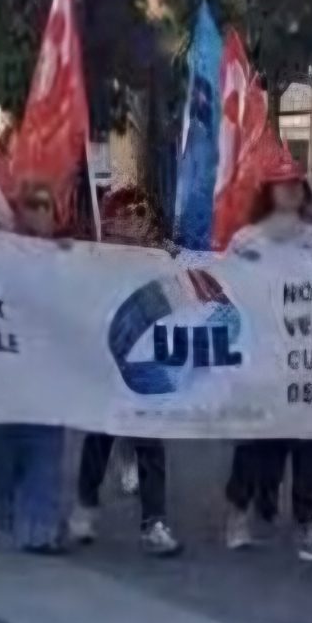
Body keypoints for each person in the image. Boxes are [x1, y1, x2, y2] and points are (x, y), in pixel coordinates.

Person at [225, 154, 312, 563]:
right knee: (257, 444)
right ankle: (238, 513)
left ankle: (310, 524)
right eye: (282, 183)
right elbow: (229, 294)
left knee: (310, 445)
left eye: (297, 183)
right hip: (261, 359)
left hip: (308, 358)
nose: (291, 189)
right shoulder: (246, 241)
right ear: (268, 191)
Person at [70, 186, 182, 557]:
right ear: (110, 223)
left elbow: (177, 301)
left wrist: (174, 260)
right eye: (123, 215)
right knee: (99, 438)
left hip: (145, 363)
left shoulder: (160, 261)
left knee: (150, 443)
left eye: (139, 214)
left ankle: (155, 521)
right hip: (107, 362)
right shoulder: (96, 262)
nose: (131, 222)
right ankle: (86, 506)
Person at [0, 181, 76, 553]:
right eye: (32, 204)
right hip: (6, 372)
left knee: (45, 451)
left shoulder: (69, 258)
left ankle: (41, 529)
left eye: (46, 205)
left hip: (48, 374)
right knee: (1, 448)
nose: (39, 212)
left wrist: (79, 262)